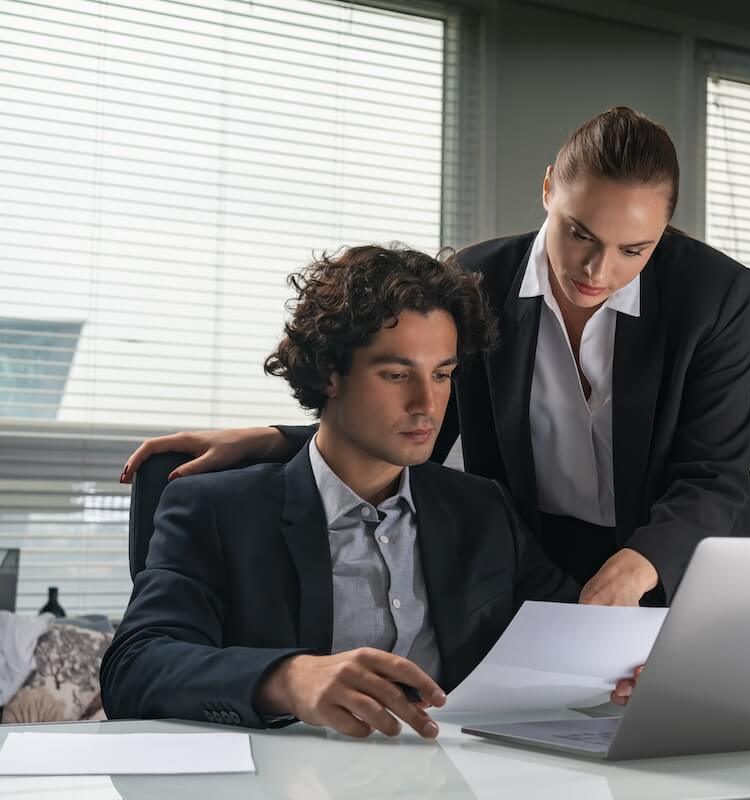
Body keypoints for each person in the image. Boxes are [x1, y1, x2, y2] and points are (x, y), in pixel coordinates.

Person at [120, 107, 750, 608]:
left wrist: (643, 562)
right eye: (580, 234)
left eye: (635, 249)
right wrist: (270, 440)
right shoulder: (477, 279)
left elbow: (714, 473)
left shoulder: (712, 293)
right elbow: (422, 421)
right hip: (535, 553)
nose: (599, 269)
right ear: (547, 191)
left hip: (675, 553)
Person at [100, 245, 636, 738]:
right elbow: (135, 667)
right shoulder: (217, 510)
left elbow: (578, 634)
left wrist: (634, 664)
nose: (427, 404)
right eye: (397, 375)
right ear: (331, 374)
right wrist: (286, 678)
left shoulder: (481, 509)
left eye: (443, 374)